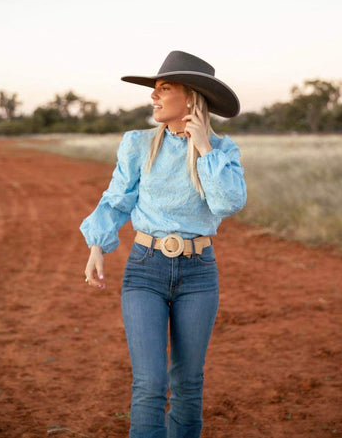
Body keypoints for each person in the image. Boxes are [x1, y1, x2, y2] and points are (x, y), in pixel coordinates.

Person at [80, 50, 247, 438]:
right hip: (145, 270)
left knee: (188, 383)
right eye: (154, 90)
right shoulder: (137, 144)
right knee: (150, 382)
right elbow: (117, 198)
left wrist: (204, 147)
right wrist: (97, 246)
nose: (153, 97)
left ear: (190, 97)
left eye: (164, 89)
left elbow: (227, 202)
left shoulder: (223, 151)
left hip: (198, 274)